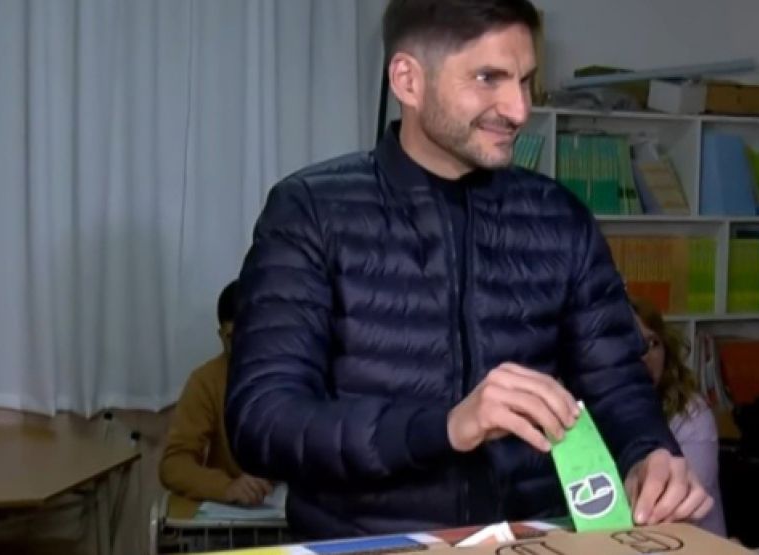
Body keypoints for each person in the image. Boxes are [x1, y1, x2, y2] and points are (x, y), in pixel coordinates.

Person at [226, 0, 711, 539]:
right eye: (488, 78)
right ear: (408, 80)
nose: (519, 110)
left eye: (525, 81)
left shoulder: (560, 218)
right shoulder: (310, 211)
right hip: (367, 545)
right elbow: (262, 421)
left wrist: (649, 452)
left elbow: (617, 384)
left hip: (534, 541)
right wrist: (446, 427)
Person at [159, 280, 274, 506]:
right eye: (232, 337)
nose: (242, 346)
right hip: (233, 511)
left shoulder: (297, 373)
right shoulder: (206, 381)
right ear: (221, 336)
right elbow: (173, 465)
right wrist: (226, 488)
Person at [631, 298, 726, 536]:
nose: (645, 356)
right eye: (631, 344)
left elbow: (669, 515)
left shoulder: (691, 413)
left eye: (653, 343)